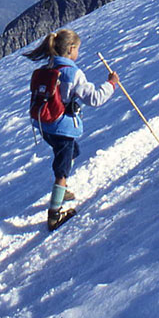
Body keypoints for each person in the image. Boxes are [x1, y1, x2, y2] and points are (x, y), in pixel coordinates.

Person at [23, 29, 119, 231]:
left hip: (44, 125)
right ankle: (54, 214)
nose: (78, 53)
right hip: (62, 127)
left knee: (71, 152)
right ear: (71, 49)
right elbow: (94, 98)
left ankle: (62, 188)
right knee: (63, 167)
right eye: (77, 49)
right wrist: (111, 84)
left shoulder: (47, 68)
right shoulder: (73, 73)